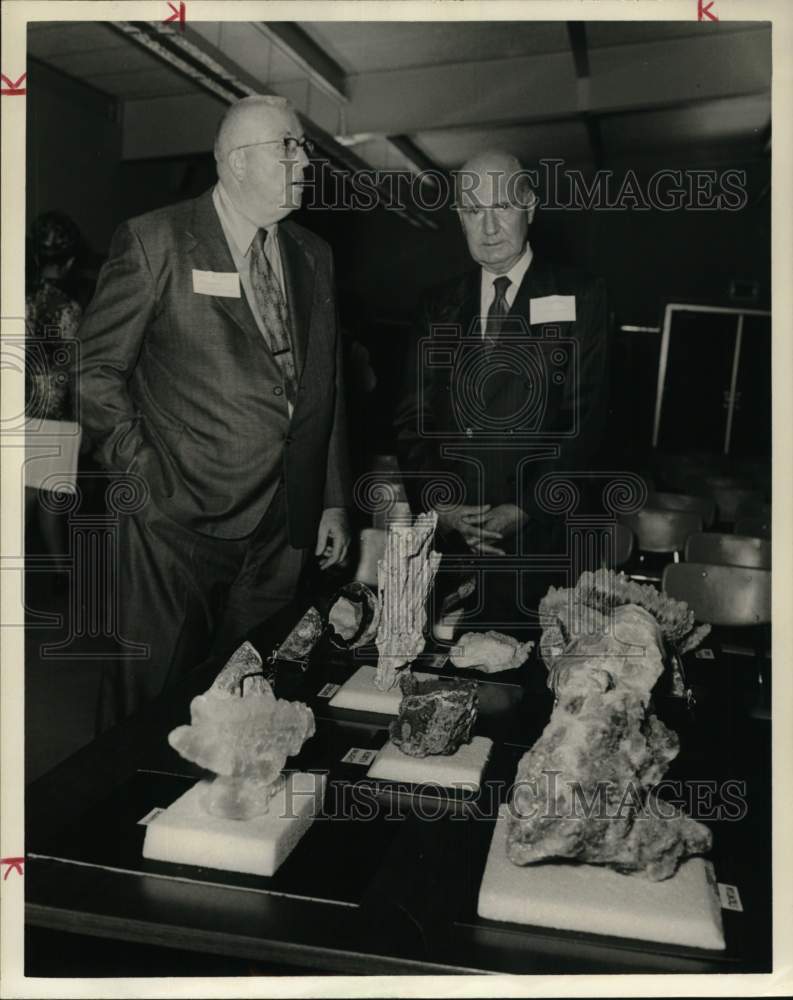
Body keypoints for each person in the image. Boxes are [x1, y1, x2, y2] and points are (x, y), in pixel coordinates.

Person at [77, 95, 352, 728]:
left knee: (247, 704)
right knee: (147, 708)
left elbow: (323, 383)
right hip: (174, 528)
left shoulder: (313, 254)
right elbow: (95, 374)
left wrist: (333, 496)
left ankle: (219, 821)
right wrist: (144, 477)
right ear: (234, 162)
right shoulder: (156, 240)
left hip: (283, 529)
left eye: (303, 146)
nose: (304, 161)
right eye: (288, 146)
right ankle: (126, 825)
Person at [394, 150, 609, 636]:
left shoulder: (582, 295)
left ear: (530, 206)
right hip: (453, 547)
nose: (489, 227)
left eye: (503, 207)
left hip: (541, 543)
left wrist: (527, 508)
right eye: (472, 211)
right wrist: (442, 506)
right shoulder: (438, 304)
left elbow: (588, 421)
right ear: (458, 219)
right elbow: (411, 420)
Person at [25, 212, 84, 562]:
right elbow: (72, 367)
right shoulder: (71, 309)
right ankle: (60, 568)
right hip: (58, 412)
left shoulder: (21, 300)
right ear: (71, 262)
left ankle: (54, 568)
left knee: (28, 494)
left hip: (22, 406)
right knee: (50, 497)